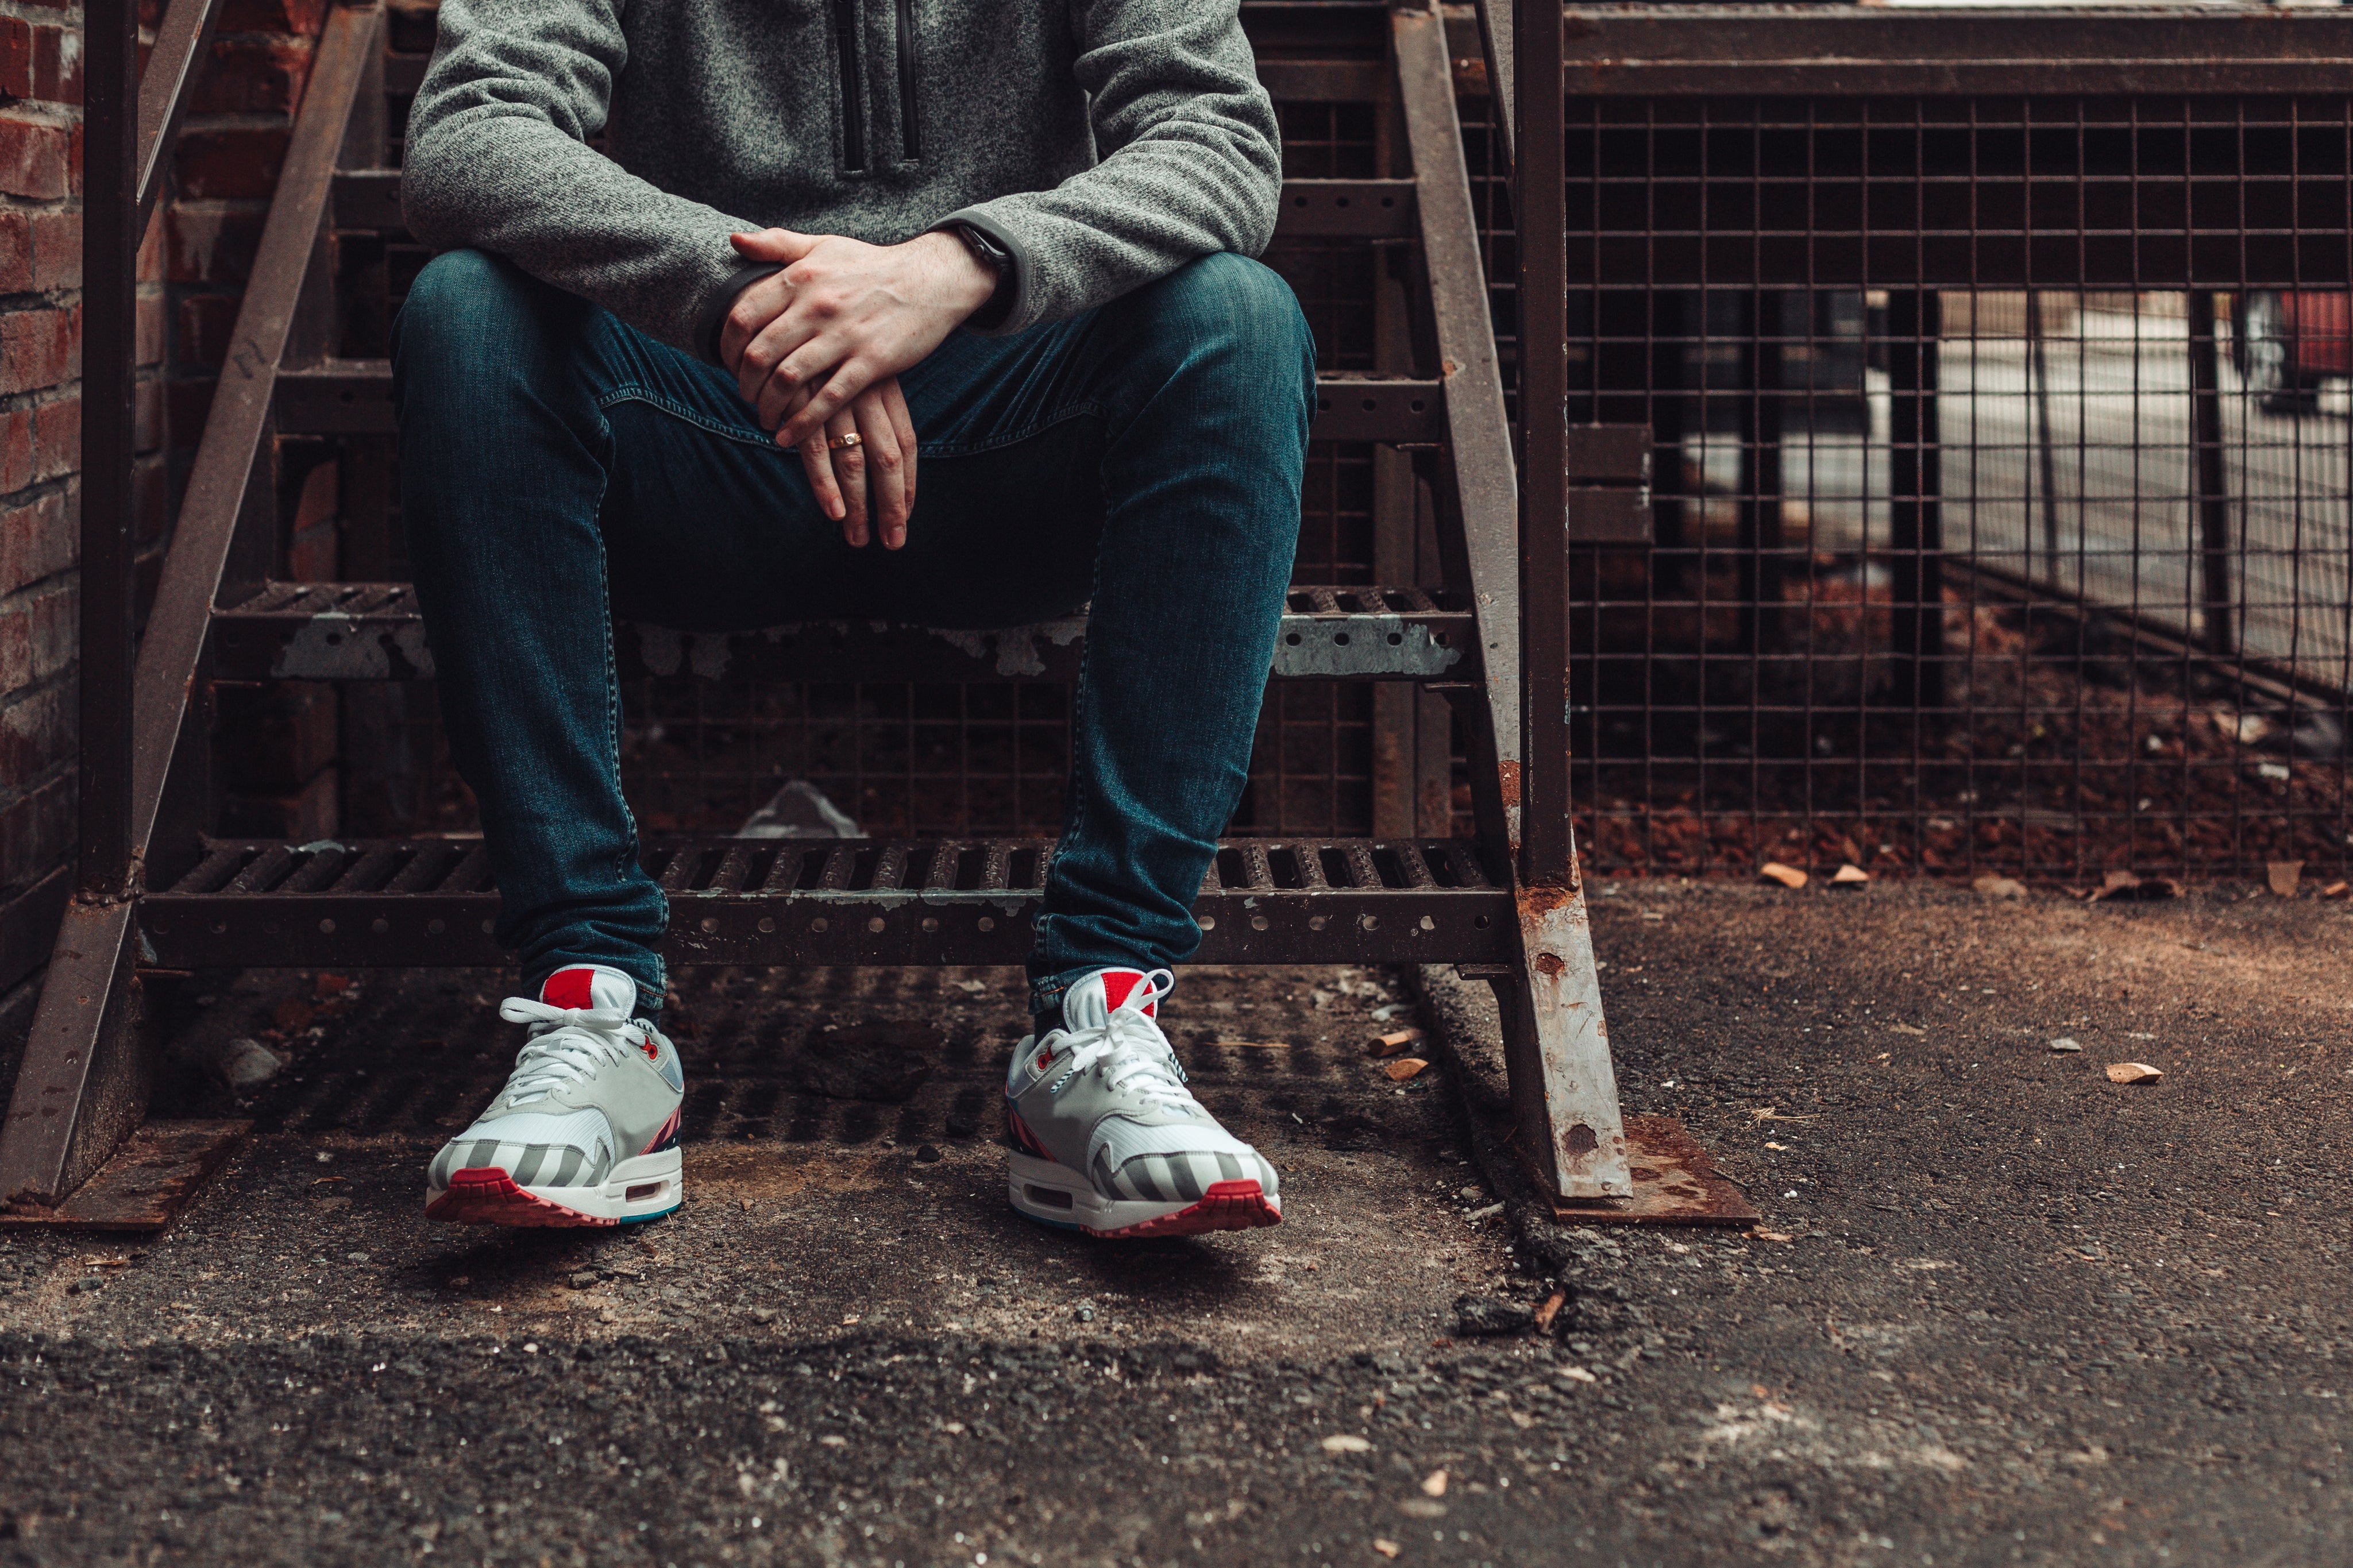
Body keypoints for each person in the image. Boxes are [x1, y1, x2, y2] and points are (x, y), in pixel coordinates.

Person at [395, 0, 1314, 1237]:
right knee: (465, 306)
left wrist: (945, 273)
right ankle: (592, 1000)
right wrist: (761, 309)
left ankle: (1100, 1014)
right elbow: (469, 132)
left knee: (1238, 316)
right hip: (709, 438)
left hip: (1004, 450)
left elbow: (1218, 143)